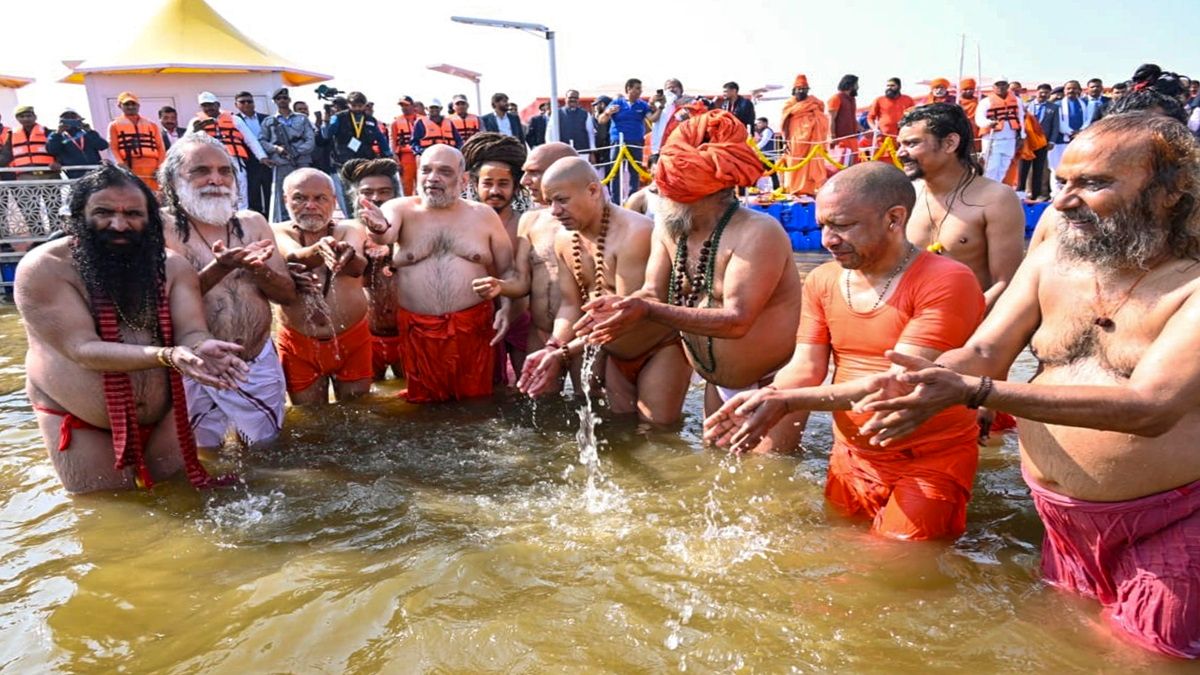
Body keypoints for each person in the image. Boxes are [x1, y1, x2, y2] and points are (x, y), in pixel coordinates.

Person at [857, 113, 1200, 658]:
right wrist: (930, 374)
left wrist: (978, 394)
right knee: (1061, 645)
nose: (1063, 202)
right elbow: (987, 350)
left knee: (1147, 660)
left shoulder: (1193, 286)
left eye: (1094, 184)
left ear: (1171, 191)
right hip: (1062, 521)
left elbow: (1148, 407)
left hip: (1174, 522)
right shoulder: (1053, 259)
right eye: (1063, 182)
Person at [704, 162, 984, 542]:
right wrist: (762, 398)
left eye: (842, 225)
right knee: (839, 560)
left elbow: (898, 385)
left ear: (894, 218)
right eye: (822, 226)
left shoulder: (946, 280)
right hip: (850, 456)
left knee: (894, 570)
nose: (827, 239)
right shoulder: (822, 280)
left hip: (928, 458)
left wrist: (786, 402)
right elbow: (805, 366)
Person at [15, 164, 246, 493]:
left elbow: (191, 332)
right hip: (81, 418)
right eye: (104, 212)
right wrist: (167, 355)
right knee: (108, 516)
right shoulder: (45, 268)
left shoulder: (172, 266)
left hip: (165, 415)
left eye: (133, 214)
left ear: (151, 219)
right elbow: (82, 349)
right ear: (79, 215)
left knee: (181, 499)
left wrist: (202, 348)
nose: (119, 224)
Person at [574, 110, 802, 417]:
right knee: (715, 461)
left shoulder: (759, 232)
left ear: (703, 195)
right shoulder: (669, 228)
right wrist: (622, 306)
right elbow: (652, 293)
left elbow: (737, 321)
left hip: (773, 385)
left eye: (668, 190)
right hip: (715, 383)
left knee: (773, 466)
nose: (657, 193)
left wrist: (648, 310)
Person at [517, 157, 692, 423]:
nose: (554, 211)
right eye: (549, 202)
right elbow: (570, 305)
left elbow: (622, 318)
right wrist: (553, 346)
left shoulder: (635, 232)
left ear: (593, 190)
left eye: (561, 200)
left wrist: (562, 353)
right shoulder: (564, 239)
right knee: (620, 432)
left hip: (660, 348)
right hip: (613, 352)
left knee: (658, 436)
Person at [159, 133, 296, 451]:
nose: (215, 179)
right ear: (173, 181)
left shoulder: (253, 223)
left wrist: (257, 268)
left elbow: (287, 296)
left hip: (257, 363)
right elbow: (161, 307)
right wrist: (220, 267)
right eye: (201, 171)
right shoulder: (161, 229)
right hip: (195, 367)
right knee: (204, 456)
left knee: (267, 453)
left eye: (225, 171)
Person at [357, 145, 514, 403]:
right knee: (424, 410)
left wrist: (507, 309)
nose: (432, 178)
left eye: (444, 171)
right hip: (417, 332)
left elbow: (508, 270)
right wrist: (376, 228)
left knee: (477, 407)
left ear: (463, 180)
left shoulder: (483, 215)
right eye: (426, 170)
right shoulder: (400, 209)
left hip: (473, 329)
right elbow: (385, 232)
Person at [474, 142, 581, 393]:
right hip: (540, 331)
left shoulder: (593, 220)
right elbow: (522, 280)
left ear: (562, 170)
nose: (525, 181)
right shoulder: (530, 220)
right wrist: (499, 287)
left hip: (582, 334)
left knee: (592, 405)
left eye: (534, 172)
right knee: (537, 405)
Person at [899, 104, 1025, 311]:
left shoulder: (997, 199)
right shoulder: (906, 196)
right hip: (909, 325)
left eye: (912, 143)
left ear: (950, 143)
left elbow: (1006, 282)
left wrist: (955, 325)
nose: (901, 153)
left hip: (970, 327)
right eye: (900, 144)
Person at [270, 169, 370, 405]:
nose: (310, 205)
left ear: (334, 202)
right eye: (300, 198)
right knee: (310, 422)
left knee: (362, 417)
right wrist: (321, 249)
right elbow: (292, 256)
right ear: (286, 201)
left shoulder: (351, 227)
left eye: (320, 198)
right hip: (298, 343)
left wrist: (346, 253)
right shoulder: (276, 230)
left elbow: (357, 268)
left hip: (352, 339)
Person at [461, 132, 530, 381]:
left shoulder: (526, 224)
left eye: (503, 184)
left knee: (529, 388)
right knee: (490, 388)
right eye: (487, 183)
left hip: (522, 317)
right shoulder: (462, 224)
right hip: (481, 322)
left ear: (515, 186)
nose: (494, 191)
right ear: (475, 184)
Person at [340, 158, 403, 380]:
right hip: (363, 336)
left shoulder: (410, 230)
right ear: (355, 197)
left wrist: (392, 248)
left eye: (384, 191)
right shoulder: (344, 233)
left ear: (396, 195)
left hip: (408, 334)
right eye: (367, 192)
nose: (376, 198)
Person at [193, 92, 271, 211]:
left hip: (234, 160)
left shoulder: (235, 119)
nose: (208, 108)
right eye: (204, 106)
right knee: (217, 189)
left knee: (240, 191)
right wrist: (196, 130)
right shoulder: (196, 122)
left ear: (217, 105)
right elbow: (186, 142)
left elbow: (250, 139)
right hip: (211, 163)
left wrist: (262, 157)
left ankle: (242, 217)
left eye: (210, 105)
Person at [259, 87, 316, 222]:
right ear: (275, 101)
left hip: (301, 160)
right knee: (283, 193)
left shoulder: (302, 118)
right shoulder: (269, 121)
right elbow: (262, 140)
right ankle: (285, 221)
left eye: (285, 98)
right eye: (279, 98)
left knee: (306, 189)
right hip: (282, 161)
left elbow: (310, 139)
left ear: (289, 100)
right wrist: (276, 149)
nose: (282, 100)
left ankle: (307, 217)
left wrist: (297, 151)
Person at [597, 79, 657, 202]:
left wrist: (660, 108)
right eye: (637, 88)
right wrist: (607, 112)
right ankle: (615, 200)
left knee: (635, 172)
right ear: (629, 89)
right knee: (615, 171)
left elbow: (652, 118)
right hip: (617, 141)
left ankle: (632, 200)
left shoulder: (643, 105)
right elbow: (601, 120)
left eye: (640, 88)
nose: (640, 91)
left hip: (635, 142)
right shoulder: (617, 102)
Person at [6, 105, 62, 231]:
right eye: (22, 116)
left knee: (54, 207)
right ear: (17, 118)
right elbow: (6, 155)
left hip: (49, 175)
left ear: (35, 116)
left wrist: (58, 162)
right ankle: (39, 238)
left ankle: (56, 235)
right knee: (30, 209)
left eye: (29, 115)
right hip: (25, 177)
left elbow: (58, 149)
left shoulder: (48, 131)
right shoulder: (12, 135)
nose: (26, 118)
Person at [779, 74, 830, 198]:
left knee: (810, 164)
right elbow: (784, 122)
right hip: (795, 138)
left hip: (812, 138)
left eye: (804, 89)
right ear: (794, 90)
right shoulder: (789, 104)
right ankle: (793, 189)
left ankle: (808, 190)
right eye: (799, 89)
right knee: (794, 162)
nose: (801, 91)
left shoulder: (815, 102)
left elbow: (822, 115)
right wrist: (785, 140)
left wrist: (814, 119)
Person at [107, 92, 166, 190]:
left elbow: (161, 148)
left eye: (133, 104)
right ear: (120, 106)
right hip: (129, 167)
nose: (130, 107)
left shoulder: (152, 125)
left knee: (156, 197)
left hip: (152, 168)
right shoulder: (114, 125)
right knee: (134, 195)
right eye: (126, 104)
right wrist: (121, 165)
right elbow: (113, 148)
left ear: (138, 106)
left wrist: (160, 167)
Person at [974, 77, 1026, 183]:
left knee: (1004, 166)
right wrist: (989, 123)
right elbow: (979, 119)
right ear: (993, 87)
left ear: (1007, 86)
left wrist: (1022, 135)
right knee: (991, 167)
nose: (1001, 87)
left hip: (1010, 138)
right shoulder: (985, 102)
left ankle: (996, 189)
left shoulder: (1017, 101)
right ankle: (988, 190)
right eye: (998, 85)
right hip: (993, 138)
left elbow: (1020, 117)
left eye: (1003, 84)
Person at [322, 91, 390, 170]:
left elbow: (380, 138)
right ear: (348, 104)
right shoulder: (338, 117)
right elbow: (327, 135)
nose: (357, 108)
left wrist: (389, 154)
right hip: (343, 161)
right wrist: (326, 122)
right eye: (354, 106)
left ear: (365, 105)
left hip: (365, 160)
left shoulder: (371, 120)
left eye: (360, 106)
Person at [233, 91, 272, 218]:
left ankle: (271, 219)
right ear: (236, 105)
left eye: (249, 101)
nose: (246, 104)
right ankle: (257, 220)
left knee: (270, 192)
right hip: (248, 163)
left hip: (269, 162)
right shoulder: (234, 121)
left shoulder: (266, 118)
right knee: (252, 194)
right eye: (242, 102)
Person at [1019, 84, 1059, 201]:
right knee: (1023, 169)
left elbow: (1055, 126)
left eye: (1046, 92)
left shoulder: (1054, 108)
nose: (1043, 94)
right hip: (1027, 142)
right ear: (1036, 92)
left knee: (1039, 169)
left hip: (1042, 143)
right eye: (1041, 92)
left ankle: (1036, 194)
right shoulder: (1026, 106)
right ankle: (1021, 192)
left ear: (1049, 94)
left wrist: (1052, 141)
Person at [46, 109, 108, 179]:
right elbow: (52, 150)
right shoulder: (57, 136)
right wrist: (58, 133)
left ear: (79, 119)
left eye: (73, 117)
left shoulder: (87, 133)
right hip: (75, 176)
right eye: (67, 118)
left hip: (96, 173)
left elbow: (103, 146)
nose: (70, 120)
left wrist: (89, 131)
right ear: (61, 121)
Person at [1049, 80, 1086, 191]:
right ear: (1064, 91)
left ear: (1079, 90)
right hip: (1060, 141)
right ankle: (1056, 193)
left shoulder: (1085, 103)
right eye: (1068, 88)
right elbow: (1058, 123)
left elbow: (1088, 119)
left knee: (1077, 168)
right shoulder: (1057, 105)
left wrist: (1080, 132)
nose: (1071, 91)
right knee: (1057, 168)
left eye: (1074, 88)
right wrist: (1071, 133)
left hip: (1080, 140)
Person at [827, 74, 860, 167]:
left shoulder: (852, 99)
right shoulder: (836, 98)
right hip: (841, 141)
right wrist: (832, 136)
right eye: (856, 85)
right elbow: (831, 119)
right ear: (850, 85)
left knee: (853, 167)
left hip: (853, 139)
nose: (858, 87)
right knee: (842, 166)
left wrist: (864, 130)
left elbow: (852, 119)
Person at [389, 96, 419, 196]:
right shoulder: (395, 122)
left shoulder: (422, 120)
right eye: (402, 105)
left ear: (413, 105)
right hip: (405, 156)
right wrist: (395, 159)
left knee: (423, 182)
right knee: (406, 184)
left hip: (421, 155)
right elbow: (392, 141)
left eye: (406, 105)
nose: (404, 108)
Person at [557, 89, 595, 156]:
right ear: (565, 99)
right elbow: (550, 132)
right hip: (563, 152)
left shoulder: (585, 114)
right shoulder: (557, 114)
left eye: (575, 98)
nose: (573, 99)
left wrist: (592, 151)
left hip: (582, 151)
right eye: (570, 97)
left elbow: (590, 133)